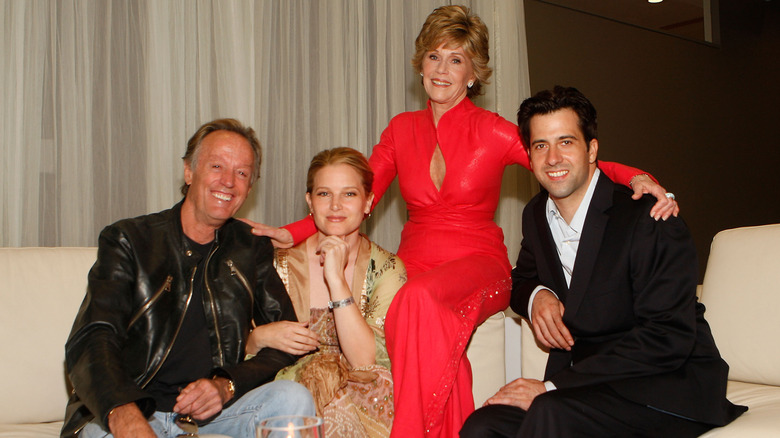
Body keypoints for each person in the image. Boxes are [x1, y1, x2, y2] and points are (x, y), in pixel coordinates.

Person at [244, 6, 678, 437]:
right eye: (434, 56)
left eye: (456, 59)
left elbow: (562, 162)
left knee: (414, 301)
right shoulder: (400, 130)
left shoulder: (493, 131)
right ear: (421, 64)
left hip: (479, 264)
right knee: (419, 317)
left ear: (473, 73)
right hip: (414, 264)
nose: (441, 69)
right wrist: (293, 231)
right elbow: (356, 193)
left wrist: (637, 177)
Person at [460, 86, 747, 437]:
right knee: (482, 425)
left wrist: (552, 387)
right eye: (541, 145)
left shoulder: (650, 219)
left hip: (667, 386)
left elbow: (667, 337)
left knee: (552, 412)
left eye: (566, 142)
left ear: (592, 149)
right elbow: (521, 279)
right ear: (530, 156)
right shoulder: (536, 214)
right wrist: (538, 296)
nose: (553, 158)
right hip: (589, 386)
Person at [62, 118, 315, 438]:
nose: (228, 181)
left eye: (242, 173)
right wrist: (125, 414)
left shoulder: (250, 246)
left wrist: (226, 385)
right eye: (217, 166)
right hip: (134, 407)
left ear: (249, 188)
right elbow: (92, 337)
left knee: (293, 399)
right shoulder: (130, 240)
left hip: (214, 416)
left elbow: (290, 342)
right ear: (188, 171)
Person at [245, 147, 405, 438]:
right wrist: (257, 338)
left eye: (349, 194)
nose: (335, 206)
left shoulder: (386, 268)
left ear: (368, 201)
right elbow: (229, 350)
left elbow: (365, 362)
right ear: (309, 200)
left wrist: (336, 279)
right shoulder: (276, 263)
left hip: (365, 398)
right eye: (324, 194)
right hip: (286, 394)